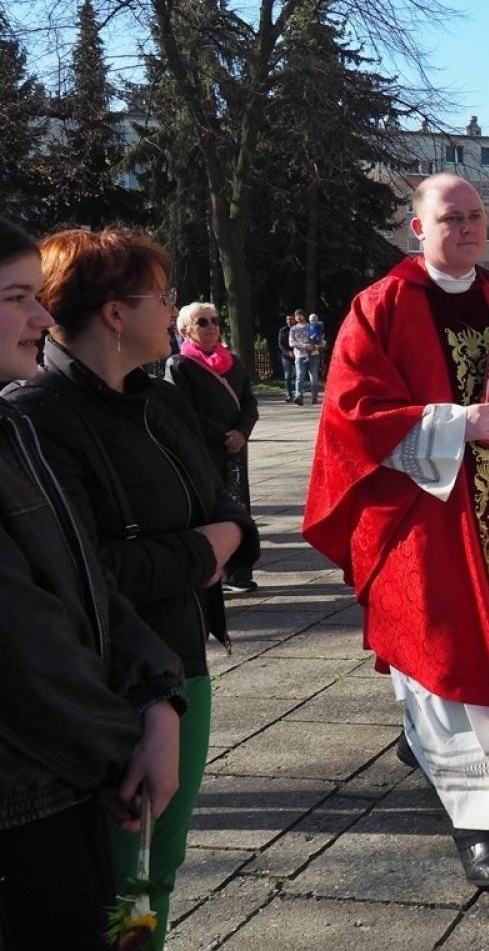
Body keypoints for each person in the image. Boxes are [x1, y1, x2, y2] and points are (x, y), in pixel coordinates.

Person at [302, 173, 489, 890]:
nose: (467, 229)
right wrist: (455, 422)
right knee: (443, 650)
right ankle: (479, 825)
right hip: (420, 521)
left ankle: (425, 745)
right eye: (451, 218)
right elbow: (352, 411)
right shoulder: (383, 305)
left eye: (476, 217)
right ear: (415, 227)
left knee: (480, 658)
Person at [6, 227, 259, 950]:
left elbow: (227, 503)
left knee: (157, 866)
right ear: (116, 312)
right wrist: (203, 550)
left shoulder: (161, 397)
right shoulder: (38, 416)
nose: (174, 307)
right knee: (122, 871)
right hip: (110, 684)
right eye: (162, 297)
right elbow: (82, 570)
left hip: (182, 664)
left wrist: (224, 538)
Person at [0, 216, 186, 950]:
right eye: (17, 297)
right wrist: (123, 748)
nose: (41, 317)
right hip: (25, 798)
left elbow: (84, 581)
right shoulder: (35, 416)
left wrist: (155, 696)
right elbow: (24, 642)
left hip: (68, 776)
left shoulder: (10, 433)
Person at [167, 301, 260, 593]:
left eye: (215, 320)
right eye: (202, 322)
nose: (212, 327)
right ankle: (215, 570)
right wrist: (224, 434)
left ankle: (239, 572)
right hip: (204, 450)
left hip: (235, 450)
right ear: (185, 330)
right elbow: (183, 412)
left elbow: (249, 403)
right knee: (211, 508)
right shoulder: (179, 365)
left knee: (238, 506)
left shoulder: (234, 362)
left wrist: (242, 432)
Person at [287, 308, 318, 405]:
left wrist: (314, 346)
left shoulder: (311, 326)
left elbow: (318, 339)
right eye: (296, 316)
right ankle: (298, 396)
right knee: (299, 376)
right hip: (300, 356)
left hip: (313, 355)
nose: (298, 318)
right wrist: (305, 346)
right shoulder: (293, 329)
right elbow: (291, 343)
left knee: (314, 377)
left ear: (304, 316)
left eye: (300, 315)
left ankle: (314, 397)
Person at [277, 313, 295, 402]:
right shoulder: (282, 330)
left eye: (291, 319)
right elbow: (280, 344)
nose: (289, 321)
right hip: (286, 356)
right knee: (287, 376)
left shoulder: (297, 329)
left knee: (299, 376)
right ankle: (288, 395)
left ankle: (298, 394)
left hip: (298, 355)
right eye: (288, 319)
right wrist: (288, 352)